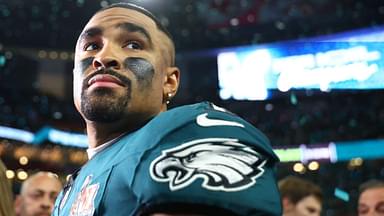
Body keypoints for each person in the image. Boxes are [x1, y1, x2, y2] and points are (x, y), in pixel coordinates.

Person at [53, 2, 281, 216]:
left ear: (169, 81)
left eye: (133, 45)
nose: (103, 57)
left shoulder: (192, 129)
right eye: (92, 46)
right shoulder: (67, 194)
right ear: (74, 76)